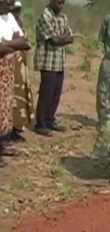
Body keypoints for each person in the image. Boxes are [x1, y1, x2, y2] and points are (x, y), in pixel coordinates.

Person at [34, 0, 77, 137]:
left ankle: (50, 120)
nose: (61, 2)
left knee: (56, 94)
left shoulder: (63, 17)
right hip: (47, 62)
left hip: (59, 62)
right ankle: (40, 123)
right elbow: (54, 40)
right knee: (46, 94)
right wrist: (62, 38)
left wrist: (61, 38)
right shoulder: (45, 16)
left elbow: (71, 38)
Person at [0, 0, 30, 166]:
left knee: (4, 109)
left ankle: (1, 146)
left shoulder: (10, 17)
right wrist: (13, 45)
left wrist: (6, 45)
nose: (10, 2)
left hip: (7, 69)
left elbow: (24, 41)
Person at [9, 0, 34, 142]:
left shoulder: (18, 23)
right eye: (14, 9)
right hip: (10, 65)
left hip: (20, 66)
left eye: (18, 9)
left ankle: (16, 128)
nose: (16, 12)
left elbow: (25, 42)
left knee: (19, 97)